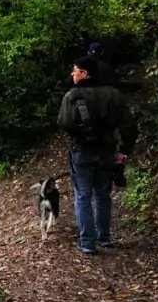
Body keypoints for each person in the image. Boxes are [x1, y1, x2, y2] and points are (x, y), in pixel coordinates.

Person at [58, 56, 137, 255]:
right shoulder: (114, 95)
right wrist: (124, 152)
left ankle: (87, 242)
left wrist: (81, 133)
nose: (72, 74)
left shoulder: (72, 96)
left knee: (82, 195)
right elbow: (129, 127)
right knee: (103, 194)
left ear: (85, 74)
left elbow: (64, 123)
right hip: (107, 151)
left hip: (82, 152)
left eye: (75, 70)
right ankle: (104, 238)